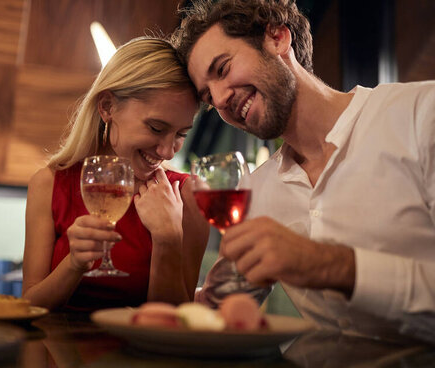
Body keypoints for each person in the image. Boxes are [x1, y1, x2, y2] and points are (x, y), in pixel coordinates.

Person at [171, 0, 435, 344]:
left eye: (222, 69)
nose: (220, 100)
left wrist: (328, 264)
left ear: (278, 38)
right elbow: (219, 312)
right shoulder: (255, 190)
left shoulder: (421, 114)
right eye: (208, 96)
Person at [22, 37, 209, 312]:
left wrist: (168, 238)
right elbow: (29, 306)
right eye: (156, 128)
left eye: (181, 134)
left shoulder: (190, 195)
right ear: (107, 106)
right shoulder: (48, 184)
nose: (168, 152)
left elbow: (177, 323)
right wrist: (74, 264)